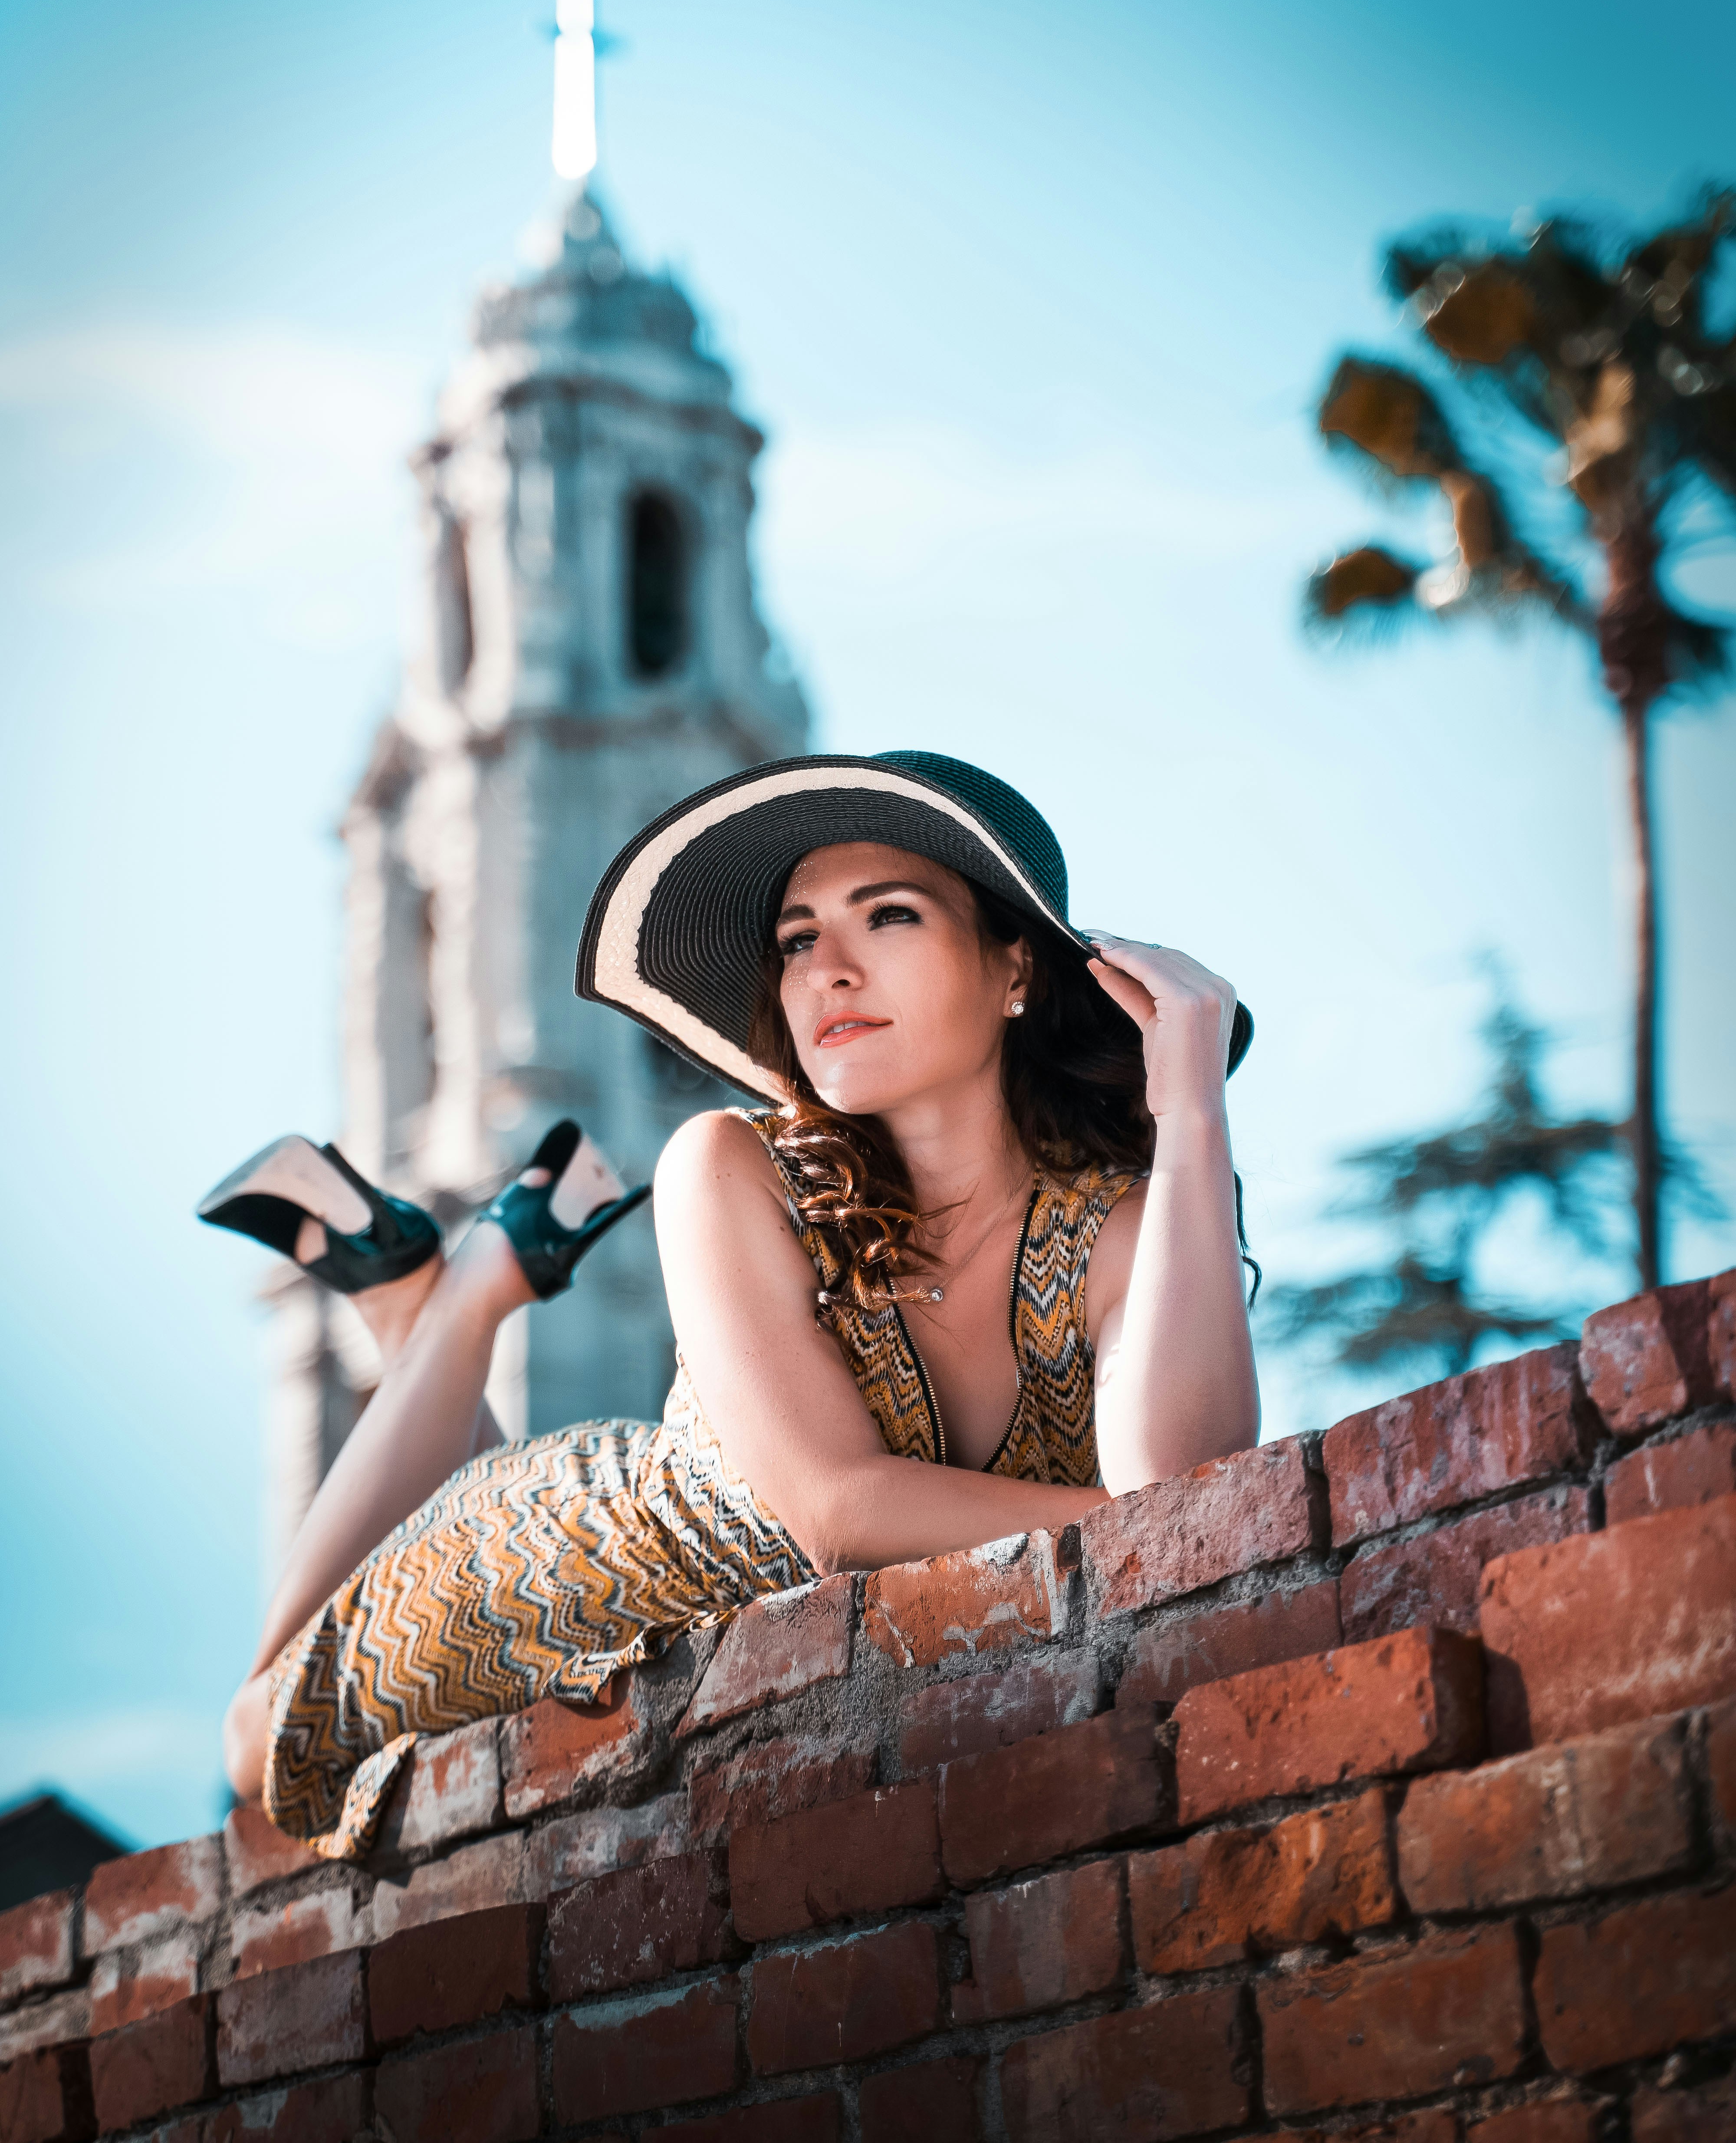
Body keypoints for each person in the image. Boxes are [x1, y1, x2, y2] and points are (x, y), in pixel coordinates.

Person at [202, 751, 1259, 1857]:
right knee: (251, 1739)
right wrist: (1130, 1521)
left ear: (1016, 971)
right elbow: (840, 1512)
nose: (826, 972)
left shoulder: (1120, 1228)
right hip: (559, 1563)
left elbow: (1186, 1493)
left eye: (886, 916)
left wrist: (1188, 1110)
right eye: (798, 939)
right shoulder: (725, 1163)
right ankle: (464, 1298)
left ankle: (409, 1292)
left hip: (707, 1662)